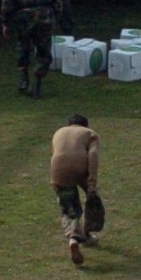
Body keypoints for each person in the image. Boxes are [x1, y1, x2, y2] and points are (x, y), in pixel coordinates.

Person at [0, 0, 61, 98]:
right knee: (43, 51)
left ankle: (23, 79)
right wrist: (56, 18)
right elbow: (57, 2)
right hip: (44, 19)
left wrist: (6, 23)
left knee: (23, 48)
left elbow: (7, 4)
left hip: (24, 21)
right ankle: (38, 81)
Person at [50, 113, 101, 266]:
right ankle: (87, 234)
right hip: (80, 167)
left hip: (58, 170)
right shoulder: (90, 133)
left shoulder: (58, 132)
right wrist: (91, 183)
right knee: (93, 201)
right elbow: (93, 155)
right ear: (86, 124)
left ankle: (73, 239)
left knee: (69, 208)